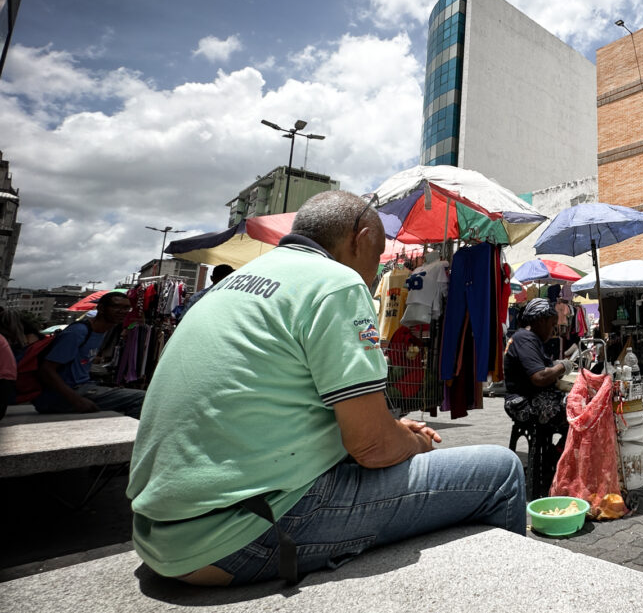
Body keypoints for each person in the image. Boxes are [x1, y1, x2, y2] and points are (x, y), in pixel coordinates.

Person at [126, 191, 525, 587]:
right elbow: (373, 448)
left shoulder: (231, 285)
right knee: (500, 470)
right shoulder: (337, 283)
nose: (373, 274)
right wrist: (411, 441)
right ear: (362, 237)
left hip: (161, 531)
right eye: (376, 258)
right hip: (240, 533)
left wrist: (391, 431)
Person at [33, 292, 145, 418]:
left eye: (126, 308)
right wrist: (76, 400)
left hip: (83, 388)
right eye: (117, 307)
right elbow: (46, 370)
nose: (122, 311)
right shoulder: (78, 332)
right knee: (142, 399)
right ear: (101, 308)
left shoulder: (101, 332)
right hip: (61, 395)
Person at [503, 297, 573, 500]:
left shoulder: (528, 339)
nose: (553, 331)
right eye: (551, 326)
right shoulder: (525, 338)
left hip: (530, 398)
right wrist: (562, 367)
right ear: (540, 321)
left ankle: (553, 457)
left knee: (575, 409)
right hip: (523, 403)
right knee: (580, 416)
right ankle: (555, 458)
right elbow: (539, 378)